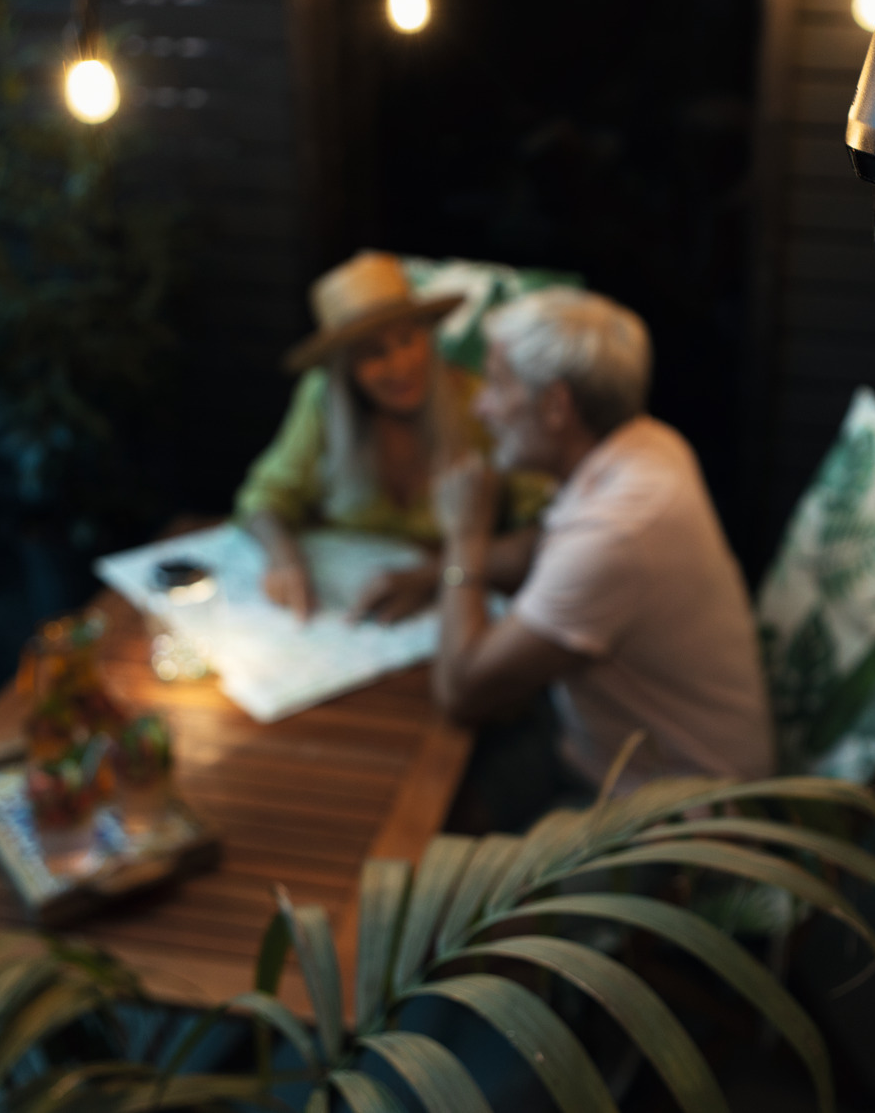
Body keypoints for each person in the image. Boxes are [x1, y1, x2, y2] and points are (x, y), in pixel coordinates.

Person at [430, 287, 773, 806]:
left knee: (429, 796)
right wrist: (426, 574)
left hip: (673, 816)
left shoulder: (617, 533)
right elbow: (543, 547)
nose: (481, 407)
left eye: (497, 385)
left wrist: (464, 537)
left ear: (556, 406)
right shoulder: (648, 444)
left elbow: (461, 690)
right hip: (606, 753)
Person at [236, 251, 549, 623]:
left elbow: (545, 528)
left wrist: (433, 576)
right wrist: (284, 557)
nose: (400, 365)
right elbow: (264, 496)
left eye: (407, 339)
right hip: (347, 610)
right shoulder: (322, 399)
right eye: (373, 353)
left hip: (457, 607)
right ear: (346, 369)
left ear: (428, 335)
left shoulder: (480, 403)